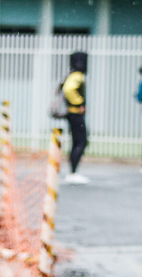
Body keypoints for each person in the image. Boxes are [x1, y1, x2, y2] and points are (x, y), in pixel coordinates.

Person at [62, 51, 89, 185]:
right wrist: (78, 103)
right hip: (75, 114)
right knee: (81, 141)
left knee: (78, 141)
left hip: (73, 113)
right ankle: (73, 172)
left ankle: (73, 171)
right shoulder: (77, 75)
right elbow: (68, 89)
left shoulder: (73, 74)